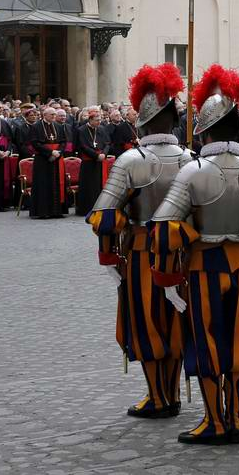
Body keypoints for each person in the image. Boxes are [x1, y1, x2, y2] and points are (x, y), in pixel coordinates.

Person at [148, 65, 239, 444]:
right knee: (238, 341)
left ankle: (215, 421)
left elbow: (164, 230)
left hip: (203, 263)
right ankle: (235, 417)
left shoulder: (192, 173)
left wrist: (170, 272)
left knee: (207, 340)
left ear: (206, 130)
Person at [87, 64, 189, 420]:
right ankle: (172, 392)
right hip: (180, 255)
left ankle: (158, 397)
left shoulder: (131, 160)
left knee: (146, 322)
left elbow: (104, 216)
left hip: (143, 252)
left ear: (143, 124)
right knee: (175, 321)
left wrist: (108, 255)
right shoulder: (190, 159)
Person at [28, 106, 67, 219]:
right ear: (44, 115)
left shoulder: (59, 127)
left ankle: (57, 211)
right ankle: (43, 211)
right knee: (43, 185)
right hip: (43, 159)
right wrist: (50, 152)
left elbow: (64, 142)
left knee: (57, 183)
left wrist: (58, 153)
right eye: (52, 115)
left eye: (55, 115)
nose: (54, 117)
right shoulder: (36, 126)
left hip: (57, 158)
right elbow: (35, 143)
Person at [74, 107, 111, 217]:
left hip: (100, 161)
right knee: (89, 186)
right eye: (96, 120)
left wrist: (104, 154)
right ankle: (87, 209)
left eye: (99, 120)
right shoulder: (81, 130)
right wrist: (96, 155)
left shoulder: (102, 129)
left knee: (99, 185)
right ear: (90, 120)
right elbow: (83, 146)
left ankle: (99, 207)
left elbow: (107, 143)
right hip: (88, 162)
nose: (99, 122)